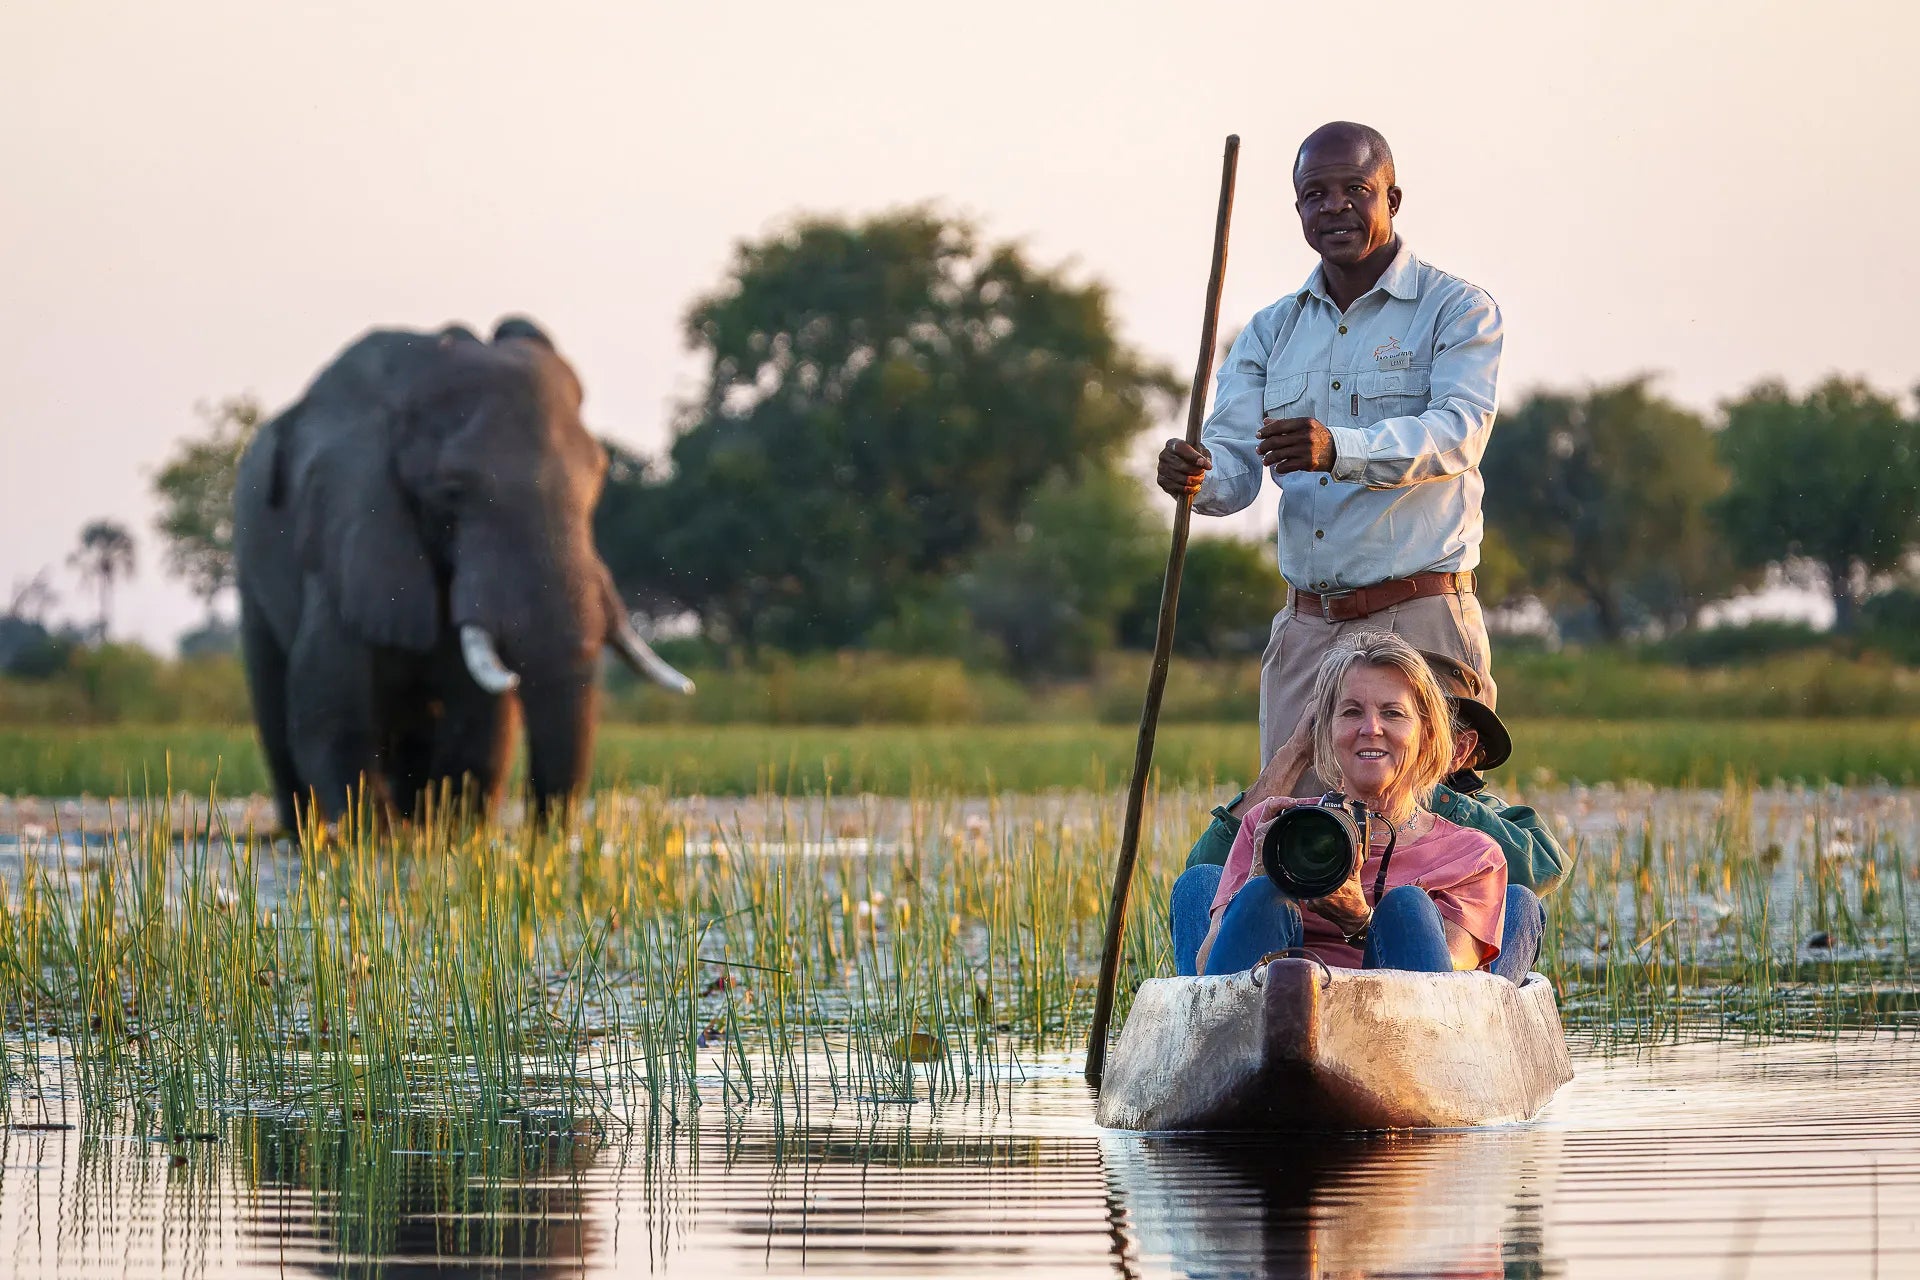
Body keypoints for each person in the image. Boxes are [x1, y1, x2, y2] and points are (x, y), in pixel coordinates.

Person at [1157, 120, 1504, 825]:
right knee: (1293, 838)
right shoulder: (1269, 330)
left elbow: (1458, 433)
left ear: (1393, 198)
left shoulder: (1456, 309)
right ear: (1298, 211)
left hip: (1422, 615)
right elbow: (1233, 472)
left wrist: (1337, 448)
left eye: (1356, 189)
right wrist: (1193, 477)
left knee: (1425, 836)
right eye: (1315, 194)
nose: (1334, 206)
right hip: (1308, 628)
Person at [1171, 633, 1541, 981]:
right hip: (1271, 1016)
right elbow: (1204, 969)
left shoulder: (1474, 855)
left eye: (1393, 713)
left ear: (1427, 735)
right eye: (1350, 712)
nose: (1371, 728)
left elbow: (1448, 981)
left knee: (1407, 905)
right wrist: (1262, 871)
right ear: (1326, 731)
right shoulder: (1270, 825)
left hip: (1402, 1028)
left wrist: (1360, 922)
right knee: (1264, 893)